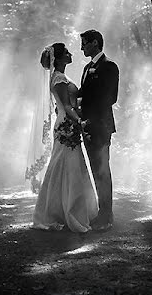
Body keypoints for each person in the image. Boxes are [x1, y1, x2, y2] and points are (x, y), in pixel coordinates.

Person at [31, 42, 99, 232]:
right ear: (59, 58)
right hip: (67, 123)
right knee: (67, 165)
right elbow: (67, 107)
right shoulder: (59, 79)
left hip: (66, 122)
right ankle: (67, 211)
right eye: (67, 52)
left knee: (67, 164)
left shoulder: (60, 77)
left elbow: (64, 104)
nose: (71, 54)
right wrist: (80, 122)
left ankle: (63, 209)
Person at [77, 29, 119, 231]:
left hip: (101, 126)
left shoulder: (109, 66)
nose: (82, 47)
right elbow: (82, 95)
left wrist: (91, 117)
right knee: (94, 169)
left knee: (103, 169)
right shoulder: (87, 68)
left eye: (84, 43)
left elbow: (110, 98)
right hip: (86, 126)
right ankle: (101, 213)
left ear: (95, 43)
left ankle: (107, 215)